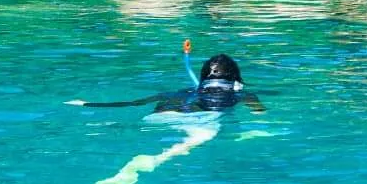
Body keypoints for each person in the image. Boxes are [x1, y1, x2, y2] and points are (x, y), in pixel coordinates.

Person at [72, 39, 264, 116]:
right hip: (200, 116)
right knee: (179, 148)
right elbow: (259, 113)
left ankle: (82, 104)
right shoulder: (245, 95)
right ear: (235, 78)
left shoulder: (181, 93)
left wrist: (88, 104)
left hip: (164, 112)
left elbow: (133, 103)